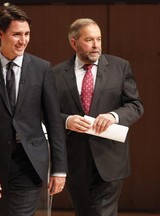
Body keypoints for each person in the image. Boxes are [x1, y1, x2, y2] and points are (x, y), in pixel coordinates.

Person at [0, 5, 68, 216]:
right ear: (0, 33)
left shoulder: (42, 69)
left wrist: (59, 169)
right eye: (17, 34)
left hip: (30, 162)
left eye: (27, 34)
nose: (23, 40)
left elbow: (53, 122)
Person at [53, 18, 144, 216]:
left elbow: (135, 105)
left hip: (110, 159)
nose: (96, 45)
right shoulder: (56, 74)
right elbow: (46, 113)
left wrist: (114, 116)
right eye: (89, 40)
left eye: (99, 39)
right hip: (75, 160)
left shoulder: (120, 67)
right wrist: (67, 120)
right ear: (73, 43)